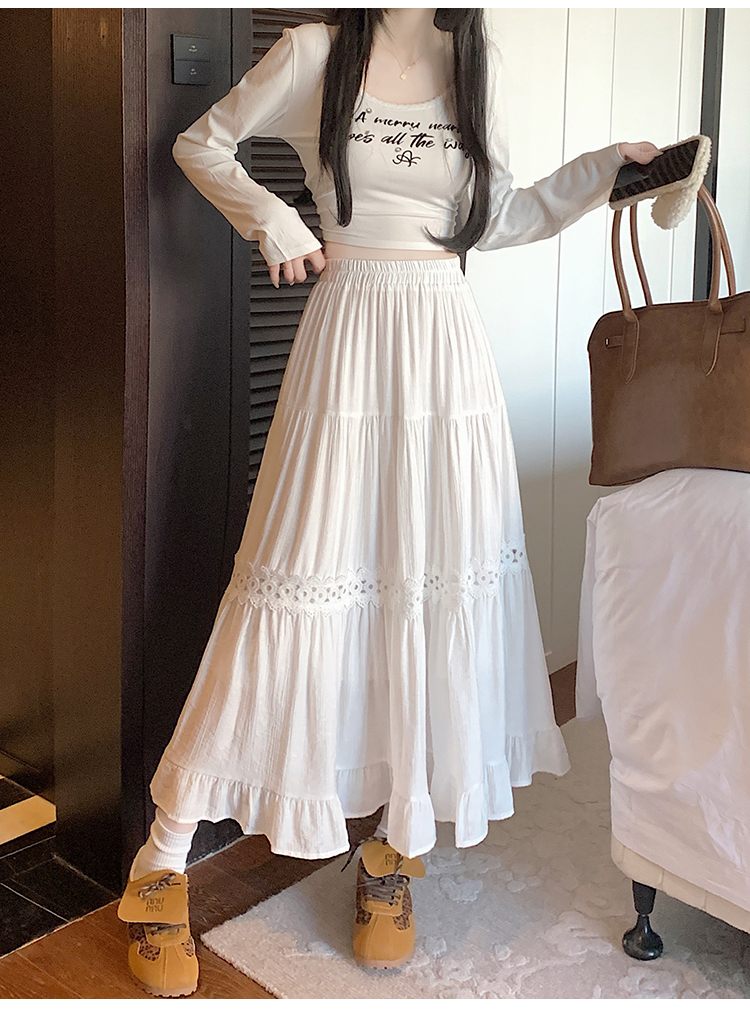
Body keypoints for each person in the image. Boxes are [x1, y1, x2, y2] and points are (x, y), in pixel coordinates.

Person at [116, 8, 661, 996]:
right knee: (288, 590)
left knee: (426, 593)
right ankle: (161, 860)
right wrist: (274, 218)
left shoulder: (475, 62)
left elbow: (500, 217)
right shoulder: (317, 52)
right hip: (347, 346)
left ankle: (394, 849)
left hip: (447, 357)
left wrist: (602, 171)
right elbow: (203, 144)